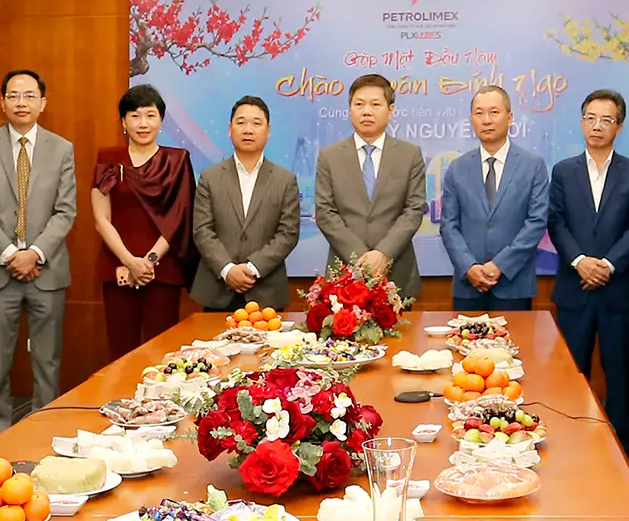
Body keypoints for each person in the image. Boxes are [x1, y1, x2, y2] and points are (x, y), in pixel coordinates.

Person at [0, 69, 76, 435]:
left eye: (29, 95)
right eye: (13, 95)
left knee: (48, 363)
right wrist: (12, 254)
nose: (21, 102)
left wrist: (35, 253)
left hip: (47, 271)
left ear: (43, 102)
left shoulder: (61, 148)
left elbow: (65, 211)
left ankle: (43, 436)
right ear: (2, 102)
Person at [547, 90, 629, 457]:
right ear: (581, 122)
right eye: (590, 118)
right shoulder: (563, 171)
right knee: (572, 375)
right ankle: (570, 451)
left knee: (619, 374)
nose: (597, 126)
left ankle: (624, 454)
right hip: (574, 288)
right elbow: (556, 222)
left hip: (618, 290)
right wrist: (580, 261)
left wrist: (606, 265)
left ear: (618, 127)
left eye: (606, 120)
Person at [90, 84, 200, 354]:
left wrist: (148, 261)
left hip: (161, 270)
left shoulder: (177, 160)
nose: (143, 123)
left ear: (161, 121)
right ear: (123, 122)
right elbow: (101, 219)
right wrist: (130, 261)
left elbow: (179, 217)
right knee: (121, 350)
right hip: (118, 266)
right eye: (135, 116)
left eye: (150, 115)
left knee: (161, 352)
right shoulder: (109, 159)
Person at [313, 73, 428, 300]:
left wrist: (383, 253)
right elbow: (325, 213)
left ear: (390, 110)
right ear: (350, 110)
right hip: (344, 273)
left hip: (396, 272)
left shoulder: (410, 155)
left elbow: (414, 210)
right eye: (359, 104)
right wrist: (360, 257)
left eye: (375, 104)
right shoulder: (329, 157)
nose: (366, 111)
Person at [441, 85, 550, 312]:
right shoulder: (457, 168)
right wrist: (469, 266)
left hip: (514, 285)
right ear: (471, 120)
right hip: (468, 286)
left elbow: (537, 222)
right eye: (479, 113)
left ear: (509, 117)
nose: (486, 120)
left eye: (494, 112)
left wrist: (500, 265)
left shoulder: (532, 165)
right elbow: (449, 225)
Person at [192, 95, 302, 313]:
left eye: (256, 123)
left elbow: (288, 233)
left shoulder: (285, 180)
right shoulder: (210, 177)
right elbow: (202, 230)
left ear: (268, 131)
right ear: (229, 129)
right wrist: (227, 270)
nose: (248, 130)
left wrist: (253, 268)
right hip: (217, 291)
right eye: (241, 122)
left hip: (266, 292)